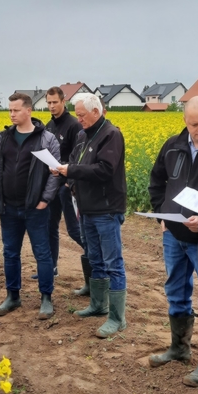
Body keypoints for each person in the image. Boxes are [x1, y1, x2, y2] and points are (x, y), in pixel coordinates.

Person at [148, 96, 198, 386]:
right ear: (184, 122)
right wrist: (161, 215)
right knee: (175, 291)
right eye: (193, 124)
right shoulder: (173, 146)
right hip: (173, 235)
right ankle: (179, 348)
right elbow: (156, 181)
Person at [53, 93, 128, 338]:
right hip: (86, 208)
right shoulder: (83, 135)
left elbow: (105, 169)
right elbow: (75, 162)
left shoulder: (111, 135)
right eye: (77, 115)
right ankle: (98, 305)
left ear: (96, 111)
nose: (79, 119)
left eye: (82, 115)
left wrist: (71, 170)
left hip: (106, 209)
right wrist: (65, 173)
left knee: (113, 263)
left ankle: (117, 318)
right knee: (95, 259)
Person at [0, 92, 61, 319]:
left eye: (16, 110)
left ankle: (46, 298)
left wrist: (45, 200)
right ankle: (12, 296)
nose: (11, 114)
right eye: (9, 110)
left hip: (35, 208)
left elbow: (56, 173)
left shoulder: (46, 139)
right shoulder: (3, 137)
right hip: (9, 208)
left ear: (28, 111)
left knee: (42, 253)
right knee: (10, 252)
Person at [31, 87, 87, 292]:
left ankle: (97, 260)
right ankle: (51, 267)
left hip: (66, 186)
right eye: (49, 103)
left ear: (64, 101)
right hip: (52, 184)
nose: (52, 106)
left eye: (55, 102)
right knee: (49, 226)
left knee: (74, 230)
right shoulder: (49, 126)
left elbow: (78, 156)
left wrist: (68, 182)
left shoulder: (73, 125)